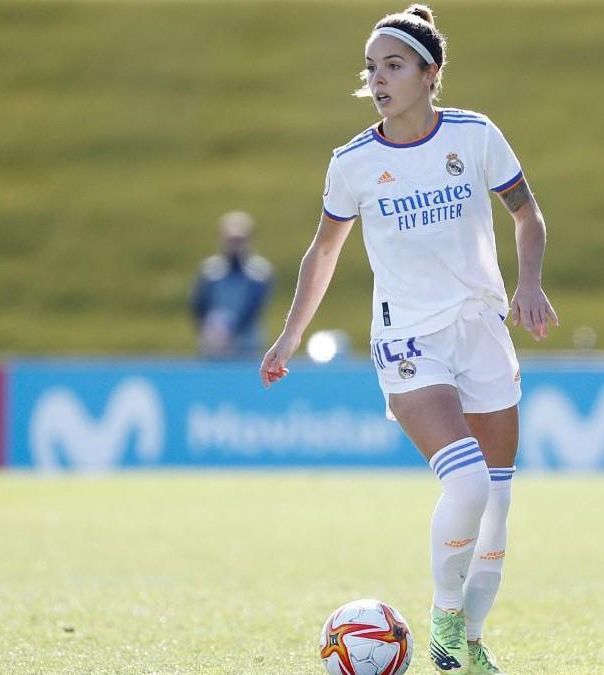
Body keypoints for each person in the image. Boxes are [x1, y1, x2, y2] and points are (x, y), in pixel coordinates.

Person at [258, 5, 556, 673]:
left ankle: (469, 642)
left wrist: (529, 281)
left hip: (482, 330)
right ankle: (445, 615)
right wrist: (288, 337)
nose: (378, 79)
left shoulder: (476, 136)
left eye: (393, 65)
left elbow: (526, 213)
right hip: (408, 341)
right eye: (371, 68)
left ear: (430, 73)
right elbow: (323, 253)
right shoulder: (354, 162)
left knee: (498, 501)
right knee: (469, 483)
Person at [190, 211, 273, 358]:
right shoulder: (209, 271)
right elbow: (198, 305)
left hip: (247, 345)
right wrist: (211, 331)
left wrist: (231, 332)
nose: (235, 246)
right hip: (213, 345)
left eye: (240, 240)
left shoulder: (260, 273)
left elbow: (254, 307)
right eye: (231, 240)